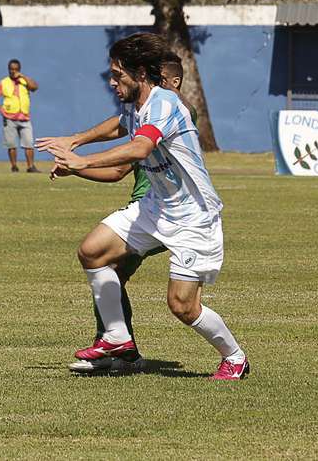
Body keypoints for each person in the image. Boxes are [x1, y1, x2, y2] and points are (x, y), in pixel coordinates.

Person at [37, 33, 249, 380]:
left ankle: (235, 357)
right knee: (92, 251)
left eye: (117, 74)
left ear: (140, 73)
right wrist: (75, 139)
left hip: (193, 216)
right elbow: (121, 124)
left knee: (182, 306)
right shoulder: (139, 106)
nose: (112, 81)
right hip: (156, 207)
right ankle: (117, 337)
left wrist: (81, 162)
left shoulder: (164, 104)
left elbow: (138, 148)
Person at [36, 53, 197, 374]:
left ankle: (119, 349)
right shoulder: (142, 114)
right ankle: (116, 347)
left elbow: (121, 165)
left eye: (157, 81)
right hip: (150, 212)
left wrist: (80, 160)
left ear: (171, 82)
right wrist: (76, 162)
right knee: (108, 270)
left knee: (107, 266)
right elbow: (118, 159)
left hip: (161, 214)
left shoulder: (171, 111)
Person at [0, 59, 40, 173]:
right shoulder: (4, 82)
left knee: (29, 143)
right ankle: (14, 166)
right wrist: (0, 110)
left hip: (24, 117)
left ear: (19, 70)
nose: (13, 71)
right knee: (11, 144)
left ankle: (30, 166)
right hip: (9, 117)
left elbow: (35, 87)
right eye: (11, 69)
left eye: (16, 69)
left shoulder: (24, 81)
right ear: (8, 70)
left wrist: (23, 77)